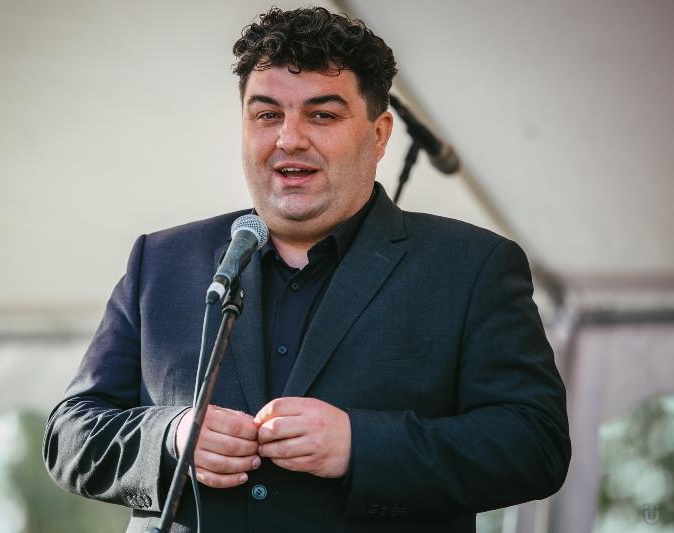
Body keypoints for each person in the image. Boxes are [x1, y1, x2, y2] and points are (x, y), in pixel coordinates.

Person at [43, 7, 570, 533]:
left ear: (380, 135)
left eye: (322, 115)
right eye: (267, 115)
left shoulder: (471, 266)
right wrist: (172, 437)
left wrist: (360, 445)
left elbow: (535, 444)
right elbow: (68, 436)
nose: (289, 138)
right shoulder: (160, 261)